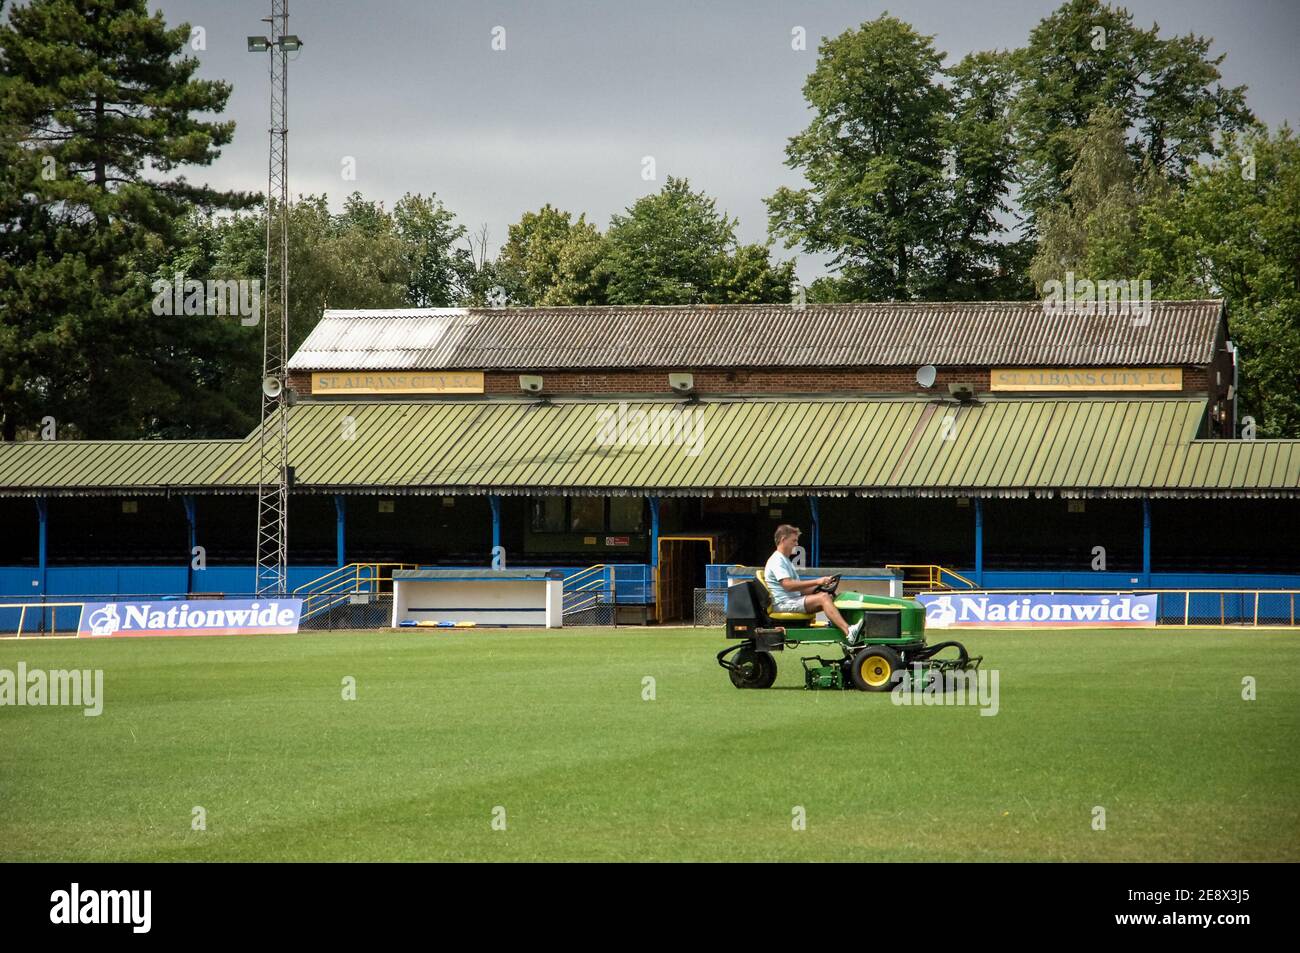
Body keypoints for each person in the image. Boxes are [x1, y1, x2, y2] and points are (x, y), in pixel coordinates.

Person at [763, 524, 863, 644]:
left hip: (792, 599)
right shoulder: (777, 560)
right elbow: (788, 585)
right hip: (783, 603)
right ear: (783, 540)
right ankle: (848, 632)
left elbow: (798, 590)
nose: (796, 544)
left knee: (828, 596)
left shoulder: (785, 560)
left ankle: (843, 626)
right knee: (823, 598)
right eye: (794, 540)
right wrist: (817, 581)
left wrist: (819, 587)